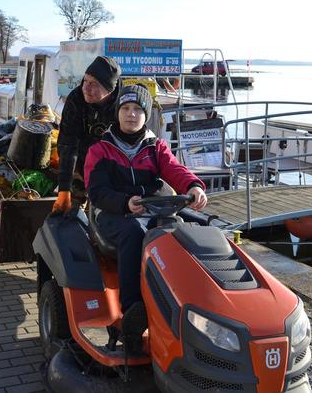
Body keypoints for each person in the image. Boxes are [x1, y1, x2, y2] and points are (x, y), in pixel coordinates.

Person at [84, 84, 207, 353]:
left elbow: (175, 169)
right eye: (126, 109)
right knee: (134, 234)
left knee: (177, 233)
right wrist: (124, 202)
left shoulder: (155, 147)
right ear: (117, 113)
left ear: (145, 114)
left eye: (137, 109)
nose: (131, 114)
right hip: (112, 213)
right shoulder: (100, 150)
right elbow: (96, 192)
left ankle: (184, 302)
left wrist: (193, 186)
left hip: (151, 209)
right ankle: (132, 312)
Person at [52, 56, 122, 213]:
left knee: (104, 216)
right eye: (85, 81)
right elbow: (67, 144)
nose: (86, 88)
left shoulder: (123, 105)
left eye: (94, 84)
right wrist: (64, 189)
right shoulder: (76, 99)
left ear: (109, 90)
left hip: (111, 169)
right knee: (71, 213)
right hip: (81, 161)